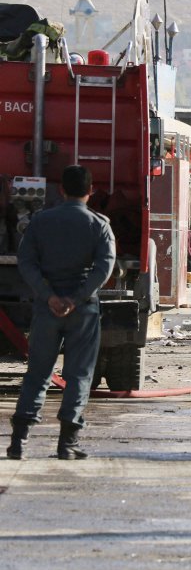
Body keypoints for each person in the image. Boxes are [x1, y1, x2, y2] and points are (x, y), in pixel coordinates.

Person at [6, 165, 115, 460]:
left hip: (46, 309)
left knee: (38, 373)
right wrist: (77, 298)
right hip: (83, 311)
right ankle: (67, 444)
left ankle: (19, 442)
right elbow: (104, 268)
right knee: (79, 374)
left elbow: (26, 262)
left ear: (61, 190)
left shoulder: (41, 221)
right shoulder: (99, 224)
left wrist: (49, 296)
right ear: (90, 191)